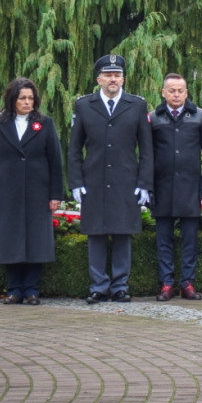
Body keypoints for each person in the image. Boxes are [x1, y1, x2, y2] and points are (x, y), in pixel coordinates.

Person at [69, 54, 153, 304]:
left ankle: (120, 287)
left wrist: (144, 184)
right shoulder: (84, 105)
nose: (113, 79)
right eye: (108, 75)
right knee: (95, 234)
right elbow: (74, 149)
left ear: (123, 79)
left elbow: (146, 149)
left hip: (126, 182)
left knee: (122, 234)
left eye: (117, 75)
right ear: (99, 79)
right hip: (93, 181)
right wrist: (76, 182)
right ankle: (98, 286)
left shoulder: (137, 105)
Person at [0, 78, 63, 305]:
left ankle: (32, 290)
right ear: (12, 100)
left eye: (30, 98)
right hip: (7, 192)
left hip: (38, 192)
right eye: (22, 98)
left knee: (36, 240)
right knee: (11, 239)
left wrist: (55, 194)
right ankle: (14, 289)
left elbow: (55, 161)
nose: (27, 102)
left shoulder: (45, 124)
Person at [150, 73, 202, 301]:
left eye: (180, 91)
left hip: (191, 188)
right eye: (172, 91)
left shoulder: (199, 116)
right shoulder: (153, 118)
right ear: (163, 92)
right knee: (163, 240)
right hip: (162, 188)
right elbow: (147, 155)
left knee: (190, 240)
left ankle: (187, 283)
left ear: (186, 93)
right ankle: (167, 284)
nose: (176, 95)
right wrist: (148, 187)